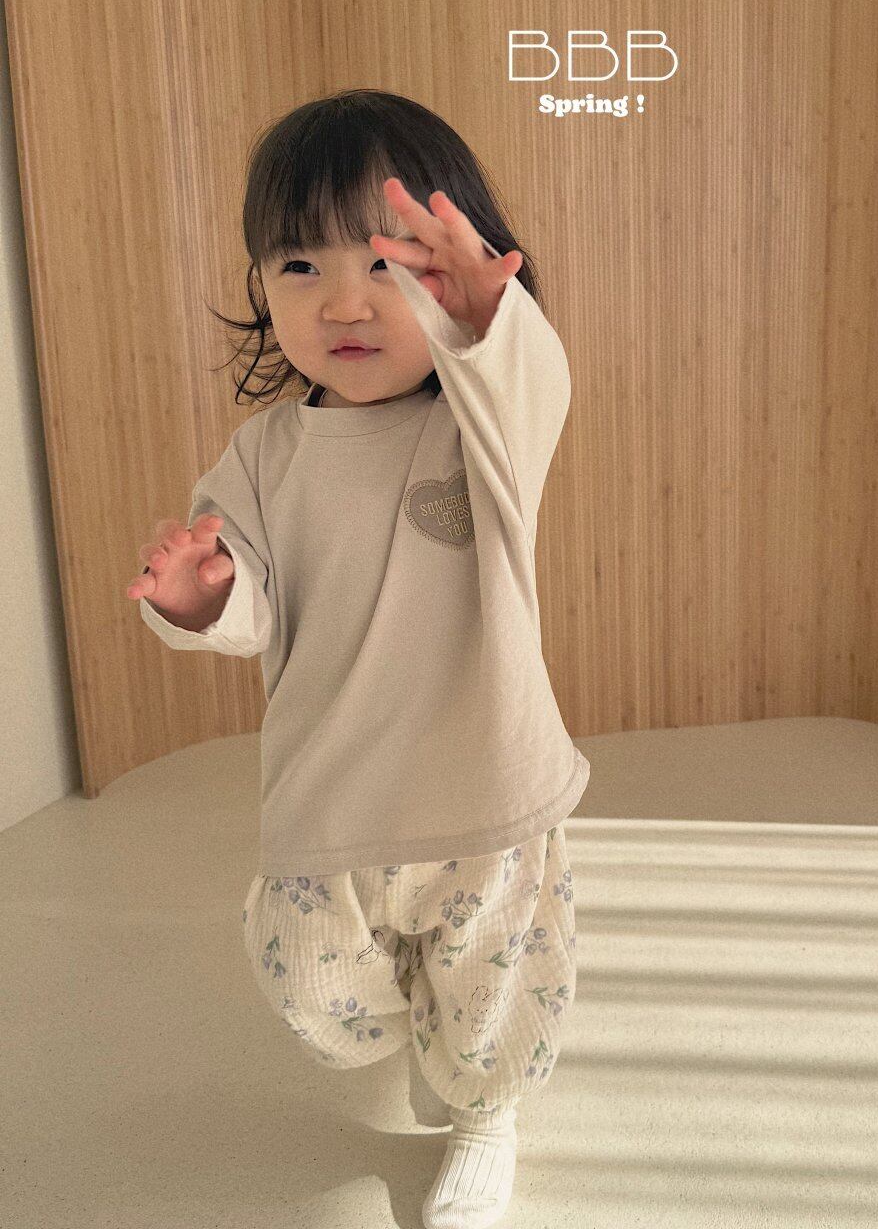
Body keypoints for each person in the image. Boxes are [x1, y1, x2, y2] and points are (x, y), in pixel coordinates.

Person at [124, 89, 587, 1229]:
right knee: (315, 988)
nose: (342, 300)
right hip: (330, 793)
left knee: (494, 990)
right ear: (260, 286)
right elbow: (246, 599)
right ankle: (427, 1036)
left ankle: (483, 1113)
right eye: (298, 265)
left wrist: (493, 319)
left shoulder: (478, 423)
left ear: (449, 271)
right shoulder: (263, 453)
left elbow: (531, 383)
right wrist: (201, 596)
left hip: (486, 789)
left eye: (386, 263)